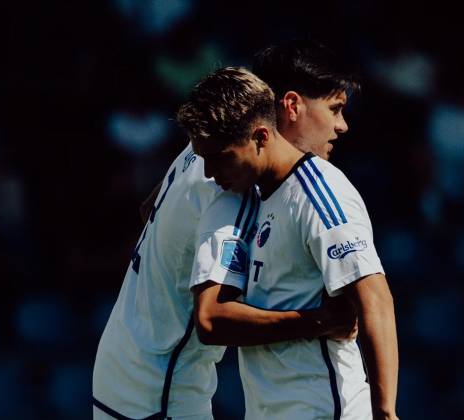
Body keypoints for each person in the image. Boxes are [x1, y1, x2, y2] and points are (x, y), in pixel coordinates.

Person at [92, 82, 355, 420]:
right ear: (289, 109)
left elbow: (148, 208)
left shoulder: (197, 149)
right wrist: (319, 321)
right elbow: (211, 319)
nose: (340, 125)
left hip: (119, 363)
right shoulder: (230, 188)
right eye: (334, 110)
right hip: (160, 389)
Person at [182, 65, 399, 419]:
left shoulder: (319, 193)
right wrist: (313, 321)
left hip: (324, 409)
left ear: (261, 137)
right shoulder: (251, 199)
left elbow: (375, 299)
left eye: (219, 157)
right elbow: (212, 319)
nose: (209, 172)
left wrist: (385, 413)